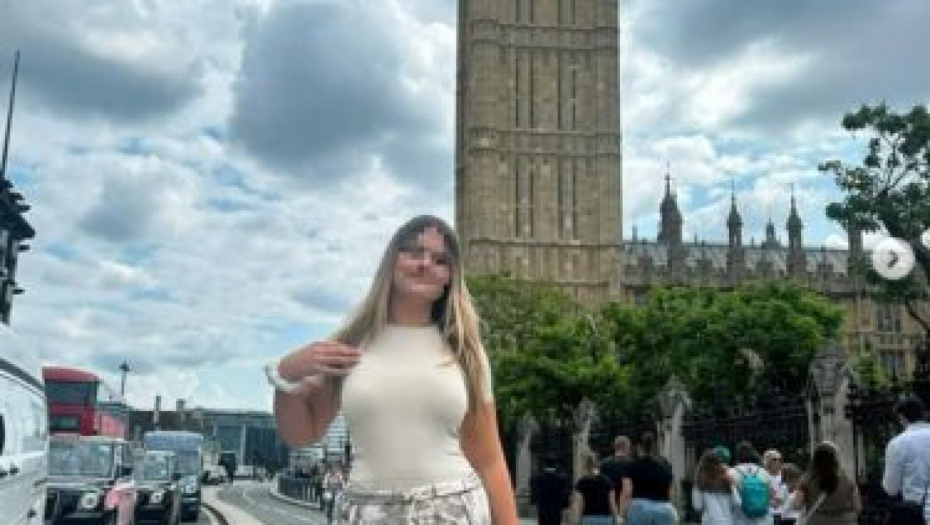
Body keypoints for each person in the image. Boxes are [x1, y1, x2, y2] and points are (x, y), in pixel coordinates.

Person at [269, 215, 517, 524]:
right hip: (366, 512)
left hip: (453, 510)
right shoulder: (350, 345)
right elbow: (301, 433)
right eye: (414, 252)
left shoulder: (466, 352)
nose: (425, 264)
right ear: (392, 262)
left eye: (440, 260)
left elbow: (489, 460)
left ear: (449, 278)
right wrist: (287, 374)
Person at [882, 395, 930, 524]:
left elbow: (891, 488)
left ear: (902, 417)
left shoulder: (898, 443)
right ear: (924, 414)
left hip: (918, 515)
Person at [791, 441, 860, 525]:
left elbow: (796, 505)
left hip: (816, 521)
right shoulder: (848, 480)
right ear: (836, 459)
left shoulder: (806, 480)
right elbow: (857, 507)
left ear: (815, 459)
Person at [619, 431, 677, 525]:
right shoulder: (665, 465)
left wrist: (621, 515)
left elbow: (627, 492)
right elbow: (671, 492)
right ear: (654, 446)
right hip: (664, 508)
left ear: (640, 447)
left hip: (639, 507)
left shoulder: (632, 466)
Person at [692, 448, 739, 525]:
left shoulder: (700, 483)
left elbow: (697, 506)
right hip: (728, 521)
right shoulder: (727, 480)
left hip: (709, 521)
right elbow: (737, 502)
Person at [731, 441, 773, 525]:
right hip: (763, 519)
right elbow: (770, 495)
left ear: (737, 455)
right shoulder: (763, 472)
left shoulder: (731, 473)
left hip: (741, 519)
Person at [572, 452, 618, 525]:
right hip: (605, 518)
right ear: (599, 465)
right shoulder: (607, 482)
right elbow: (612, 503)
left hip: (588, 518)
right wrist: (616, 518)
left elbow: (579, 504)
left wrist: (577, 520)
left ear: (586, 466)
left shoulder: (581, 483)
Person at [530, 455, 571, 525]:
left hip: (543, 510)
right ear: (555, 465)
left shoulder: (538, 478)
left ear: (545, 465)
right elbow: (564, 495)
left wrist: (534, 503)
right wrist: (565, 505)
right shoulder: (561, 479)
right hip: (556, 510)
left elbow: (535, 493)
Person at [600, 436, 633, 507]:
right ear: (626, 447)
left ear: (615, 447)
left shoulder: (604, 464)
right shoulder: (632, 464)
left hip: (608, 502)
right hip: (627, 503)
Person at [762, 449, 785, 524]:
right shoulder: (761, 476)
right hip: (765, 515)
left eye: (779, 459)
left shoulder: (785, 476)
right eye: (774, 459)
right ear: (767, 461)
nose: (778, 461)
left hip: (783, 515)